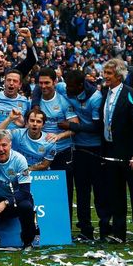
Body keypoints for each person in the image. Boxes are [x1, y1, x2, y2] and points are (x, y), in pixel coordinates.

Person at [55, 69, 104, 241]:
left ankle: (105, 227)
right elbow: (42, 88)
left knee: (99, 191)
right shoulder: (64, 88)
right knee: (81, 191)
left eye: (71, 86)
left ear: (80, 85)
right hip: (78, 149)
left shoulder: (96, 98)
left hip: (95, 149)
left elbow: (98, 127)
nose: (67, 89)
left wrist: (72, 127)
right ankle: (85, 229)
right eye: (66, 85)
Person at [98, 58, 133, 243]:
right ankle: (119, 233)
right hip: (110, 150)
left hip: (128, 152)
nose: (105, 77)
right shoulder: (105, 93)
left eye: (109, 73)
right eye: (105, 73)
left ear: (119, 75)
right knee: (115, 194)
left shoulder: (132, 93)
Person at [34, 67, 78, 223]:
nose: (44, 86)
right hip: (40, 152)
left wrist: (59, 136)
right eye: (41, 83)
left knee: (64, 190)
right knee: (40, 189)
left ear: (55, 82)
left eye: (47, 83)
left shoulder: (63, 101)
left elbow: (75, 125)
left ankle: (64, 226)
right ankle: (43, 225)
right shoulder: (35, 101)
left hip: (63, 151)